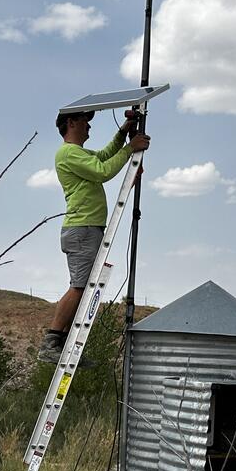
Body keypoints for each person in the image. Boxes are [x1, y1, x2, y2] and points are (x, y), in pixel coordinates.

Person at [39, 108, 151, 363]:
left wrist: (123, 132)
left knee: (85, 286)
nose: (89, 127)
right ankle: (51, 343)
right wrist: (130, 148)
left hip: (88, 228)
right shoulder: (67, 153)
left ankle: (65, 345)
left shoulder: (77, 153)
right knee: (80, 286)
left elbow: (102, 156)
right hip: (82, 229)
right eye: (84, 122)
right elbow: (102, 171)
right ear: (71, 123)